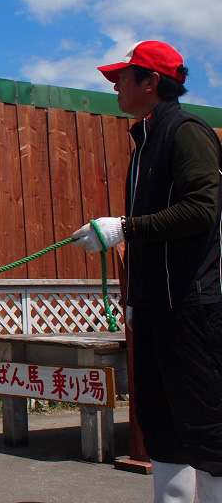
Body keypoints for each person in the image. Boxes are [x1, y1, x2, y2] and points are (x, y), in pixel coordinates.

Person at [72, 41, 222, 503]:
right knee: (160, 423)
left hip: (192, 307)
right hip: (155, 306)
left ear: (151, 82)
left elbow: (202, 208)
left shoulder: (186, 132)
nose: (115, 85)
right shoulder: (145, 139)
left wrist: (125, 228)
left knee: (206, 423)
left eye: (124, 77)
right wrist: (136, 298)